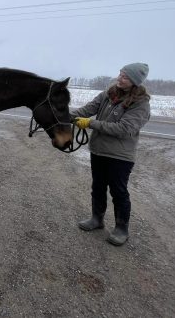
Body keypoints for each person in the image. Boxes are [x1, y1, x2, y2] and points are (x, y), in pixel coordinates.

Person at [71, 63, 151, 246]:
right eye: (120, 74)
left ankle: (122, 229)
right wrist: (65, 116)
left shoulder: (141, 103)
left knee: (119, 192)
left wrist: (90, 124)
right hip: (99, 151)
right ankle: (96, 219)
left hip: (120, 157)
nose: (120, 78)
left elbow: (124, 129)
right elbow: (88, 109)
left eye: (125, 77)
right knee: (98, 187)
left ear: (135, 82)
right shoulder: (109, 93)